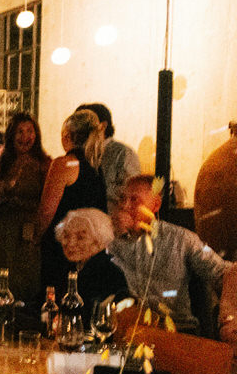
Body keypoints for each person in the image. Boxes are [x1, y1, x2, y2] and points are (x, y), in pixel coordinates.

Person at [109, 175, 229, 334]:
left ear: (155, 205)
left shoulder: (181, 239)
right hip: (127, 330)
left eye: (134, 200)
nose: (124, 205)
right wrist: (113, 236)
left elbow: (222, 272)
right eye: (122, 199)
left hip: (176, 332)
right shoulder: (109, 241)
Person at [0, 114, 50, 303]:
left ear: (36, 135)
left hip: (27, 230)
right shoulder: (1, 161)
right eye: (20, 132)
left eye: (29, 131)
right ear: (11, 135)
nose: (25, 137)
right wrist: (3, 185)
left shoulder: (44, 163)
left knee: (23, 283)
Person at [38, 109, 107, 291]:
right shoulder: (96, 166)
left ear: (67, 136)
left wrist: (36, 236)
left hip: (65, 247)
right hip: (92, 247)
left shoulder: (64, 164)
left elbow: (47, 210)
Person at [52, 208, 129, 310]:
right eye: (66, 236)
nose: (71, 243)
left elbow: (89, 314)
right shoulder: (71, 267)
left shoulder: (109, 273)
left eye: (81, 237)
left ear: (100, 241)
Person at [76, 103, 140, 213]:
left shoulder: (123, 153)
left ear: (103, 126)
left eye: (84, 123)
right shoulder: (78, 154)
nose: (78, 129)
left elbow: (132, 192)